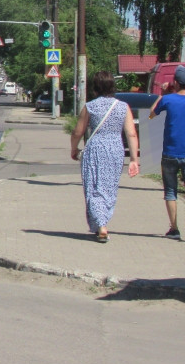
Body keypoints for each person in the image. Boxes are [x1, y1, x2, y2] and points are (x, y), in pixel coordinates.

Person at [70, 71, 139, 242]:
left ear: (95, 88)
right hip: (115, 149)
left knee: (93, 188)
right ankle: (101, 221)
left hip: (95, 149)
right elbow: (131, 134)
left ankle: (101, 225)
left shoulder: (90, 106)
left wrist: (74, 148)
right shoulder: (123, 107)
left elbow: (78, 131)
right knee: (108, 188)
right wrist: (134, 160)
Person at [148, 64, 185, 239]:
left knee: (171, 192)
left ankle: (174, 228)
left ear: (175, 82)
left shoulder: (168, 99)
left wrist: (162, 94)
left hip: (170, 152)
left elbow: (151, 114)